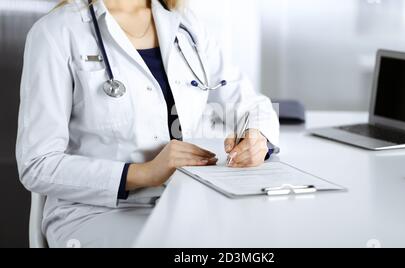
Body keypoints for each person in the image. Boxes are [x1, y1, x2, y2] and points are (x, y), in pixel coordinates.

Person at [16, 0, 279, 248]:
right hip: (96, 211)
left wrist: (257, 137)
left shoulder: (185, 24)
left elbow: (251, 104)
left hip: (186, 201)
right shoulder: (56, 32)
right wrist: (144, 172)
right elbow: (37, 164)